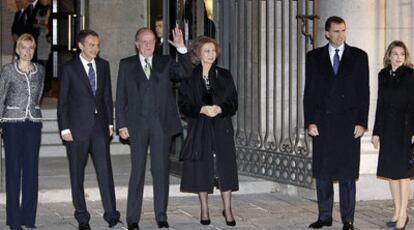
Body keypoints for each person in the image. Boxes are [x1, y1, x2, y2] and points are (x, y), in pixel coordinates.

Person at [115, 27, 192, 230]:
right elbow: (120, 97)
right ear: (136, 43)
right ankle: (133, 219)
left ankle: (161, 216)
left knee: (160, 171)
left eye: (151, 41)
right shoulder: (126, 65)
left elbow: (185, 73)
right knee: (137, 171)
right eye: (143, 41)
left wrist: (182, 48)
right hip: (137, 125)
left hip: (161, 125)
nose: (147, 45)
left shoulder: (165, 62)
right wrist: (121, 124)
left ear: (156, 43)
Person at [303, 16, 369, 230]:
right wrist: (309, 121)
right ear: (327, 33)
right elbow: (309, 92)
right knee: (323, 173)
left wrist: (362, 122)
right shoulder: (314, 57)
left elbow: (364, 92)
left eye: (343, 30)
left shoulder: (359, 57)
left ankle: (348, 219)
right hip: (323, 122)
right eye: (336, 31)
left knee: (347, 174)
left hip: (349, 124)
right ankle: (324, 216)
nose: (340, 35)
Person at [57, 30, 121, 230]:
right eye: (92, 45)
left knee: (105, 171)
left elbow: (106, 98)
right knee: (77, 173)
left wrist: (110, 124)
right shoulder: (69, 68)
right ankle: (82, 216)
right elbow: (63, 102)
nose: (96, 49)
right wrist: (64, 128)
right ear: (81, 46)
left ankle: (111, 213)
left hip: (100, 127)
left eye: (98, 45)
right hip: (76, 129)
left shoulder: (103, 66)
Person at [178, 36, 238, 226]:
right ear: (198, 53)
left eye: (213, 51)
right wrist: (201, 109)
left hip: (221, 126)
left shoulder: (224, 75)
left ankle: (227, 208)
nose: (211, 54)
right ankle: (204, 208)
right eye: (206, 51)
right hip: (200, 127)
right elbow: (184, 105)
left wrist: (220, 108)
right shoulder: (190, 76)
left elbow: (233, 102)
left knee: (225, 168)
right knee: (202, 167)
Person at [0, 33, 44, 230]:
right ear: (17, 50)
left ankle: (29, 218)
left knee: (31, 171)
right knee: (13, 171)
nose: (27, 51)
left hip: (33, 123)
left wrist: (32, 109)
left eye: (31, 48)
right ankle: (14, 220)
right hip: (12, 123)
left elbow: (39, 93)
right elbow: (0, 96)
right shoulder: (8, 70)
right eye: (24, 48)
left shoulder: (40, 70)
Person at [371, 40, 414, 230]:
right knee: (391, 173)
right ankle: (396, 210)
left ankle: (404, 213)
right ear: (389, 55)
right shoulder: (383, 74)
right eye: (395, 53)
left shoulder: (411, 75)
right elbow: (380, 103)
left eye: (402, 54)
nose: (399, 57)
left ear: (406, 57)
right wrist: (376, 132)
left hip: (405, 128)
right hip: (387, 128)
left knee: (403, 173)